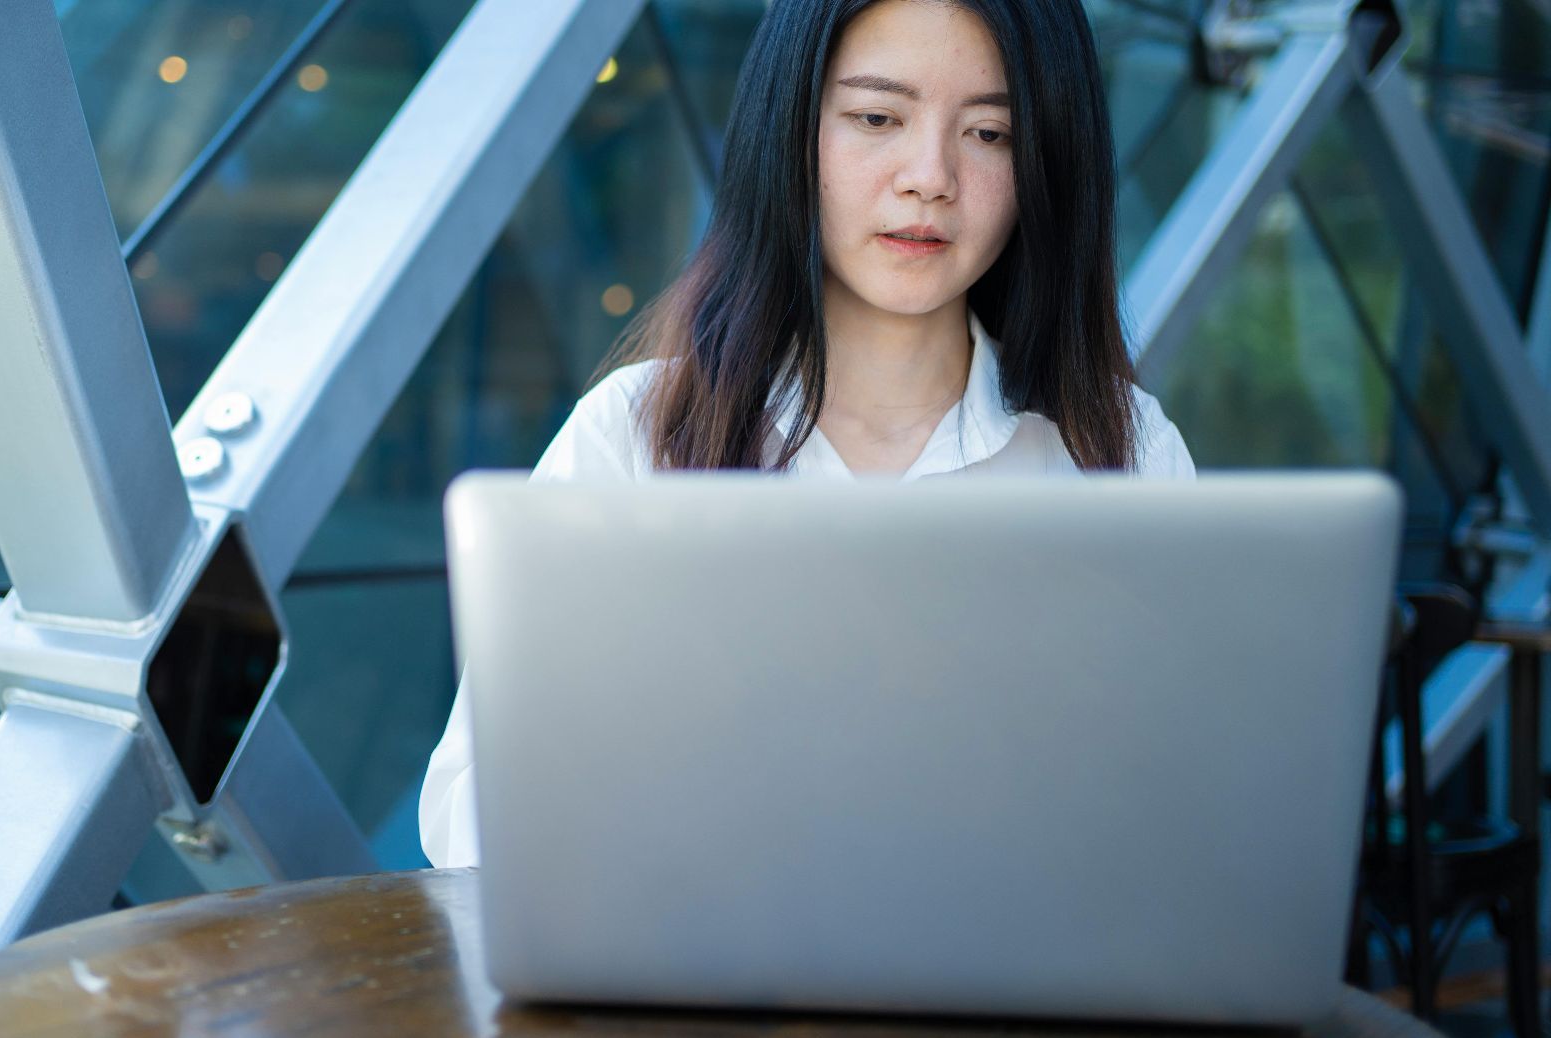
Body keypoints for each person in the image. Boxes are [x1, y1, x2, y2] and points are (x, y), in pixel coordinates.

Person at [420, 0, 1196, 867]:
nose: (930, 176)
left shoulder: (1117, 452)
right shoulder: (635, 435)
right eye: (876, 118)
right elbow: (470, 824)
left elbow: (1190, 813)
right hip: (696, 973)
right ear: (791, 134)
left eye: (990, 135)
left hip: (1024, 978)